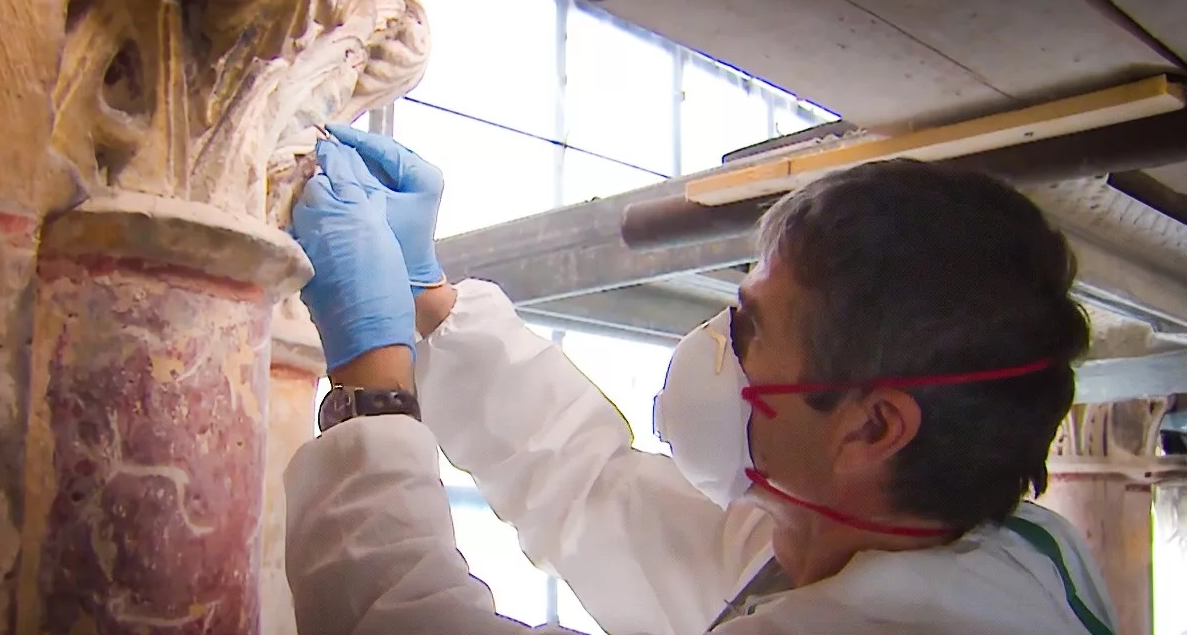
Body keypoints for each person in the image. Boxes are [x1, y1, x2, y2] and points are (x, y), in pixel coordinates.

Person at [282, 126, 1119, 635]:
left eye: (750, 331)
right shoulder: (938, 544)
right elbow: (595, 494)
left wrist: (371, 386)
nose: (715, 346)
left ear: (874, 428)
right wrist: (433, 302)